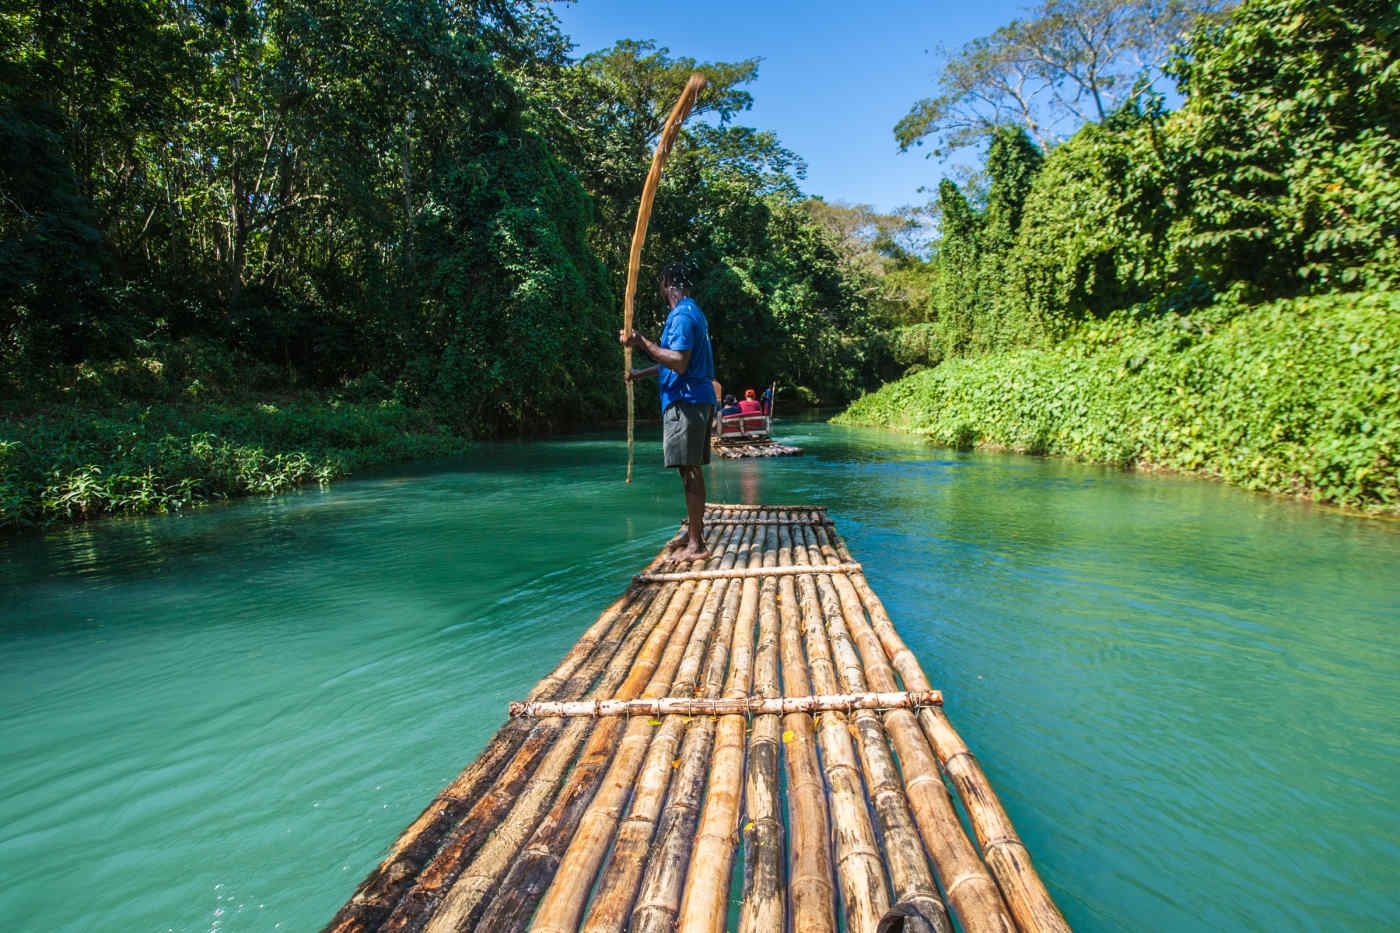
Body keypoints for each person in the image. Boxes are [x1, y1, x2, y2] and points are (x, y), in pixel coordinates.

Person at [620, 262, 717, 560]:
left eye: (660, 282)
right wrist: (641, 373)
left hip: (687, 401)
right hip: (690, 398)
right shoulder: (687, 313)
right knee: (688, 469)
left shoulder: (684, 316)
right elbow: (671, 362)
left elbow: (678, 361)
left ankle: (697, 544)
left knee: (689, 470)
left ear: (667, 283)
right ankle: (693, 534)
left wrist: (641, 341)